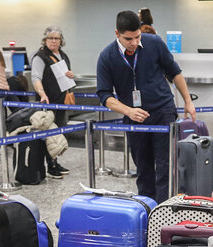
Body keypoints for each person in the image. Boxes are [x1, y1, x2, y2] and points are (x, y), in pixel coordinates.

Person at [96, 10, 195, 203]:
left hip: (163, 111)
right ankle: (147, 208)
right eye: (128, 39)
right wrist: (128, 111)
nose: (134, 42)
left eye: (137, 37)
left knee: (165, 166)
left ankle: (164, 210)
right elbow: (104, 95)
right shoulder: (107, 56)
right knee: (143, 168)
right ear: (117, 34)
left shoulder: (154, 43)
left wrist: (188, 101)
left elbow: (174, 72)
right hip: (134, 117)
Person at [31, 25, 73, 178]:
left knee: (58, 134)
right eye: (51, 38)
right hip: (47, 101)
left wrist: (70, 75)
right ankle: (50, 165)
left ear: (61, 40)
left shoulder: (63, 55)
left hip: (61, 101)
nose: (54, 41)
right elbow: (36, 78)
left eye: (57, 38)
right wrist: (42, 93)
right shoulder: (40, 57)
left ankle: (54, 161)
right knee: (49, 134)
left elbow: (64, 75)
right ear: (45, 40)